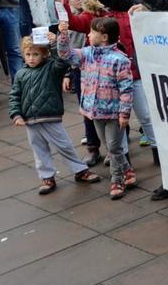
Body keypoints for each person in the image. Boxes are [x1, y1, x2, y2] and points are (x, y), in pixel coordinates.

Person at [9, 34, 102, 194]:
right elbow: (14, 96)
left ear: (44, 54)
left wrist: (53, 44)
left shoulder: (51, 67)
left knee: (64, 145)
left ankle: (80, 170)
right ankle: (47, 177)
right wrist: (16, 114)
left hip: (50, 117)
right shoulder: (20, 74)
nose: (31, 58)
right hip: (30, 120)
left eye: (36, 54)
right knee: (39, 150)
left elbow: (62, 61)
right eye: (28, 54)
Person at [56, 16, 135, 200]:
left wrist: (124, 113)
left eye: (92, 32)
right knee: (109, 145)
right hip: (95, 111)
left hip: (114, 113)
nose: (89, 35)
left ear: (104, 37)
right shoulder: (86, 54)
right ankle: (128, 171)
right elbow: (66, 55)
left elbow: (126, 89)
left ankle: (117, 180)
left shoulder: (119, 59)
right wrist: (63, 35)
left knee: (114, 147)